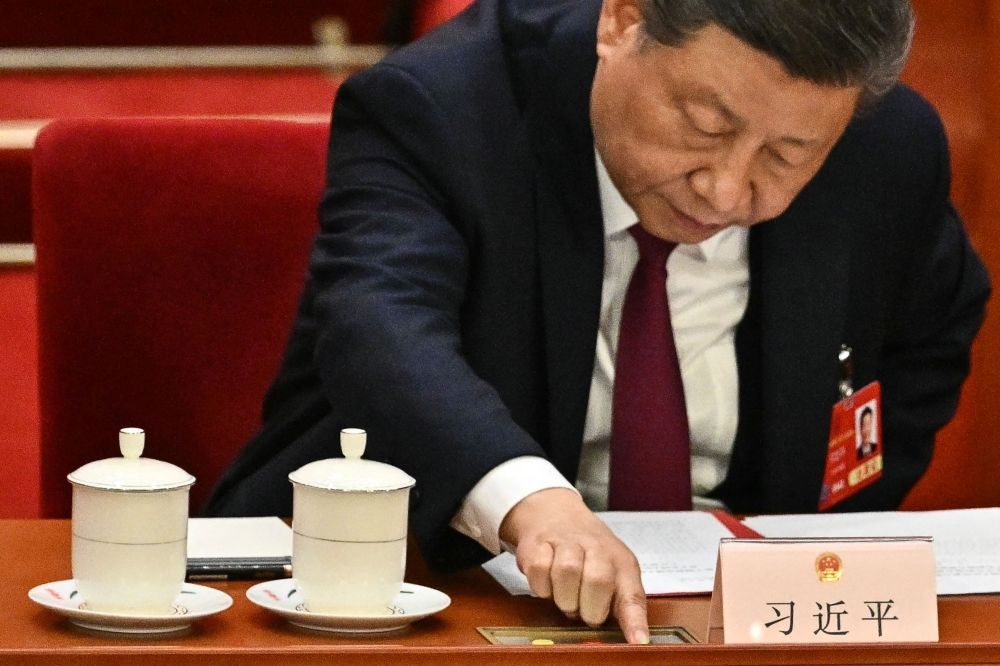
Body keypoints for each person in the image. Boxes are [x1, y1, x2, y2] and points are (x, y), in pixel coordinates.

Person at [206, 0, 989, 644]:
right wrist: (535, 508)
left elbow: (936, 327)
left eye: (784, 158)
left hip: (724, 618)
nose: (724, 191)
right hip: (403, 586)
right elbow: (379, 326)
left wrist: (813, 539)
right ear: (622, 22)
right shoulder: (444, 105)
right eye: (705, 126)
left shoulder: (886, 147)